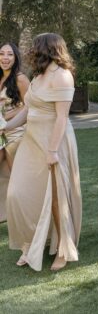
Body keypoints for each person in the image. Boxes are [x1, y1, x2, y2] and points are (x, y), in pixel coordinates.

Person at [4, 33, 81, 272]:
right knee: (18, 193)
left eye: (35, 49)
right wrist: (5, 126)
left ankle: (63, 250)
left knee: (57, 199)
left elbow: (61, 118)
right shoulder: (38, 76)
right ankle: (31, 242)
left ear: (47, 50)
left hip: (53, 142)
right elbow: (28, 109)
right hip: (31, 141)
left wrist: (53, 151)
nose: (30, 53)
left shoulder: (63, 77)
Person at [0, 42, 29, 222]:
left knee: (16, 175)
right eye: (1, 54)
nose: (5, 58)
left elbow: (30, 105)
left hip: (14, 132)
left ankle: (24, 216)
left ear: (15, 57)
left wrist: (7, 115)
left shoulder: (21, 79)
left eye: (9, 54)